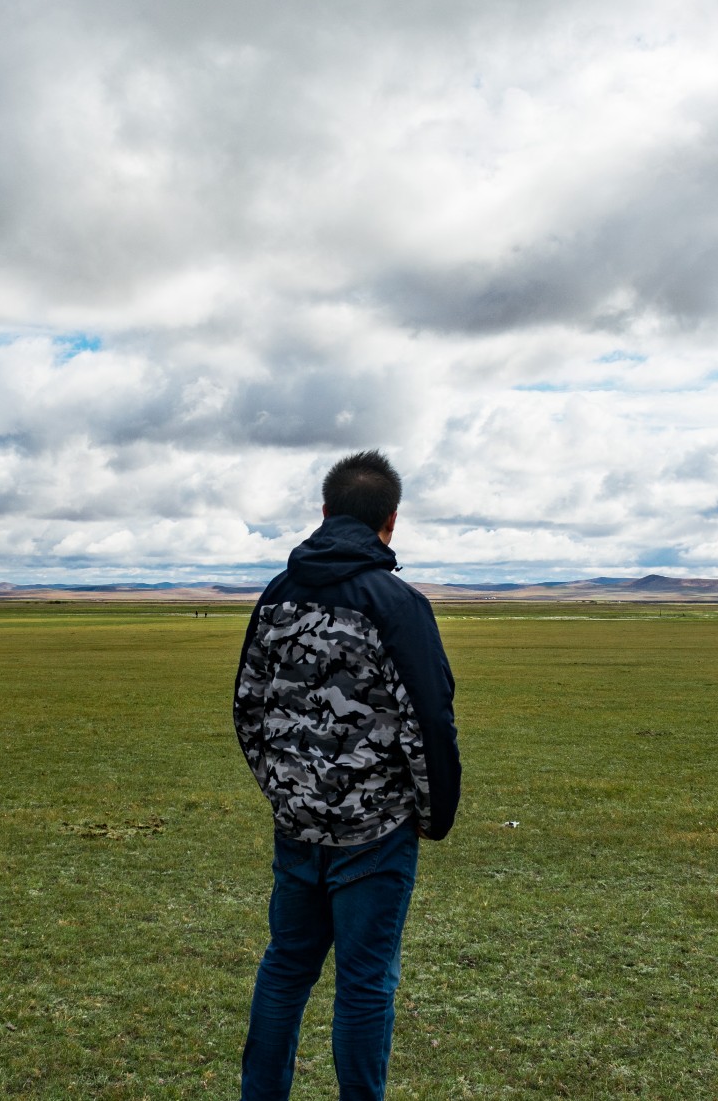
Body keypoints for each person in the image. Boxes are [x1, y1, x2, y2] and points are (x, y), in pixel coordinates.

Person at [233, 450, 462, 1101]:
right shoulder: (395, 603)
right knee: (364, 984)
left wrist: (286, 794)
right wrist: (433, 813)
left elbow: (248, 707)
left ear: (326, 512)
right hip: (376, 831)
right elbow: (428, 722)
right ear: (391, 521)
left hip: (297, 826)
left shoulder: (278, 597)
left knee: (286, 968)